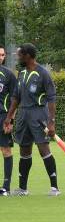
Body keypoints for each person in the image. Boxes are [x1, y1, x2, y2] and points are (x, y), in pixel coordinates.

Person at [2, 44, 59, 196]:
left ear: (28, 56)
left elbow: (52, 98)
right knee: (24, 150)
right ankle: (22, 188)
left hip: (39, 114)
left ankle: (54, 188)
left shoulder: (43, 73)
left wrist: (51, 121)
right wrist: (9, 117)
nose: (17, 57)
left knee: (43, 149)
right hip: (23, 115)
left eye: (20, 55)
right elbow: (15, 97)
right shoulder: (21, 73)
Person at [0, 45, 17, 196]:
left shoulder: (8, 75)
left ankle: (5, 187)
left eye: (2, 55)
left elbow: (15, 100)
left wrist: (10, 121)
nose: (1, 57)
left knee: (6, 150)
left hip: (2, 117)